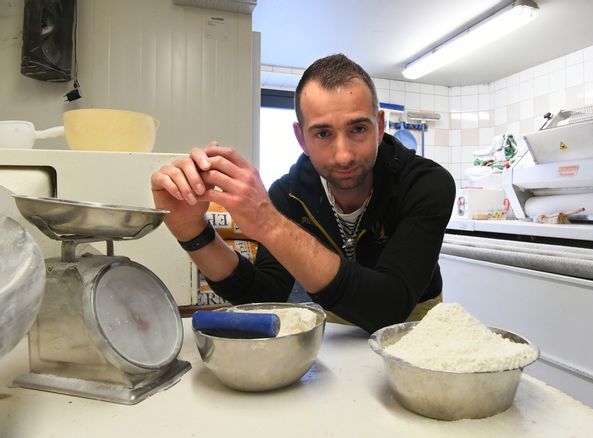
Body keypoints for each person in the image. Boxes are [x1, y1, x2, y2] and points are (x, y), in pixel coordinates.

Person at [151, 54, 455, 334]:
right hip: (339, 326)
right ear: (302, 138)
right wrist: (192, 231)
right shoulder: (289, 194)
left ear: (380, 126)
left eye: (358, 129)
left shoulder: (426, 184)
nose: (343, 155)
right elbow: (263, 296)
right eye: (323, 134)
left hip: (417, 326)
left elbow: (389, 306)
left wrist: (270, 224)